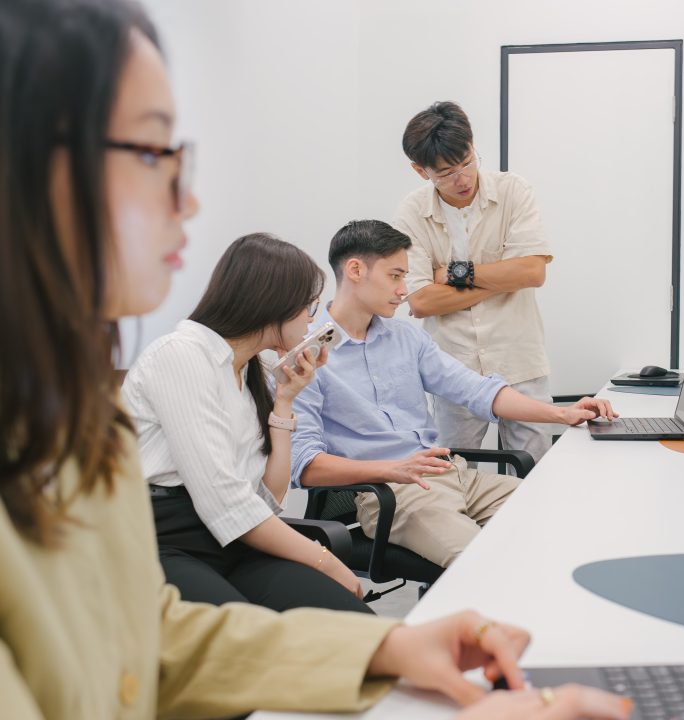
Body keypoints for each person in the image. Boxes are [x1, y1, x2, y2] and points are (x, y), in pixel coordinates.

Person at [0, 0, 629, 717]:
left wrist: (387, 652)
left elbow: (151, 632)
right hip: (354, 501)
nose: (190, 198)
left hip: (407, 480)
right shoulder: (207, 363)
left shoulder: (84, 413)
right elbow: (248, 507)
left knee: (534, 525)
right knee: (472, 568)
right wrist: (351, 532)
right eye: (152, 152)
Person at [291, 220, 617, 568]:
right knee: (485, 564)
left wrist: (563, 415)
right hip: (393, 496)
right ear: (355, 270)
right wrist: (393, 468)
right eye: (395, 276)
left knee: (569, 520)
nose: (404, 290)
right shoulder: (306, 356)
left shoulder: (406, 338)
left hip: (453, 475)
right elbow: (305, 465)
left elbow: (476, 390)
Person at [122, 232, 368, 613]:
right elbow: (225, 502)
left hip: (235, 537)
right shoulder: (182, 356)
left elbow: (269, 499)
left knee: (351, 620)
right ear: (275, 303)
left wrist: (285, 402)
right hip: (164, 538)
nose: (312, 320)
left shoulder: (253, 370)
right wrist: (326, 560)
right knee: (253, 639)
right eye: (310, 307)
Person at [394, 101, 556, 464]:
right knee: (452, 475)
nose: (462, 179)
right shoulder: (410, 212)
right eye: (447, 172)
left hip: (520, 359)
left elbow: (532, 273)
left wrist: (453, 275)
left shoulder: (514, 191)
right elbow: (420, 302)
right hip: (454, 368)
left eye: (467, 161)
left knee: (537, 472)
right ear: (421, 171)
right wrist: (503, 276)